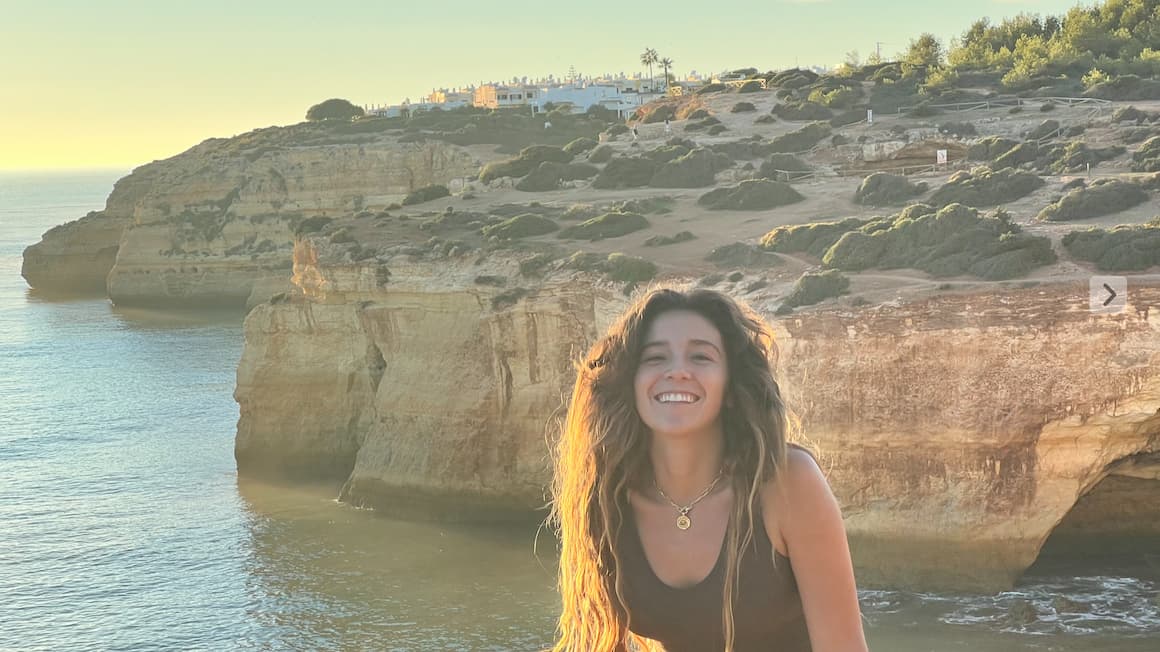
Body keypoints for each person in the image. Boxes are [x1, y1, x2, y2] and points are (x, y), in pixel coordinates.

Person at [548, 287, 867, 652]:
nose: (678, 371)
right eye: (655, 358)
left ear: (730, 388)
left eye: (700, 357)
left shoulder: (787, 482)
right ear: (631, 383)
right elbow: (599, 643)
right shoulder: (608, 494)